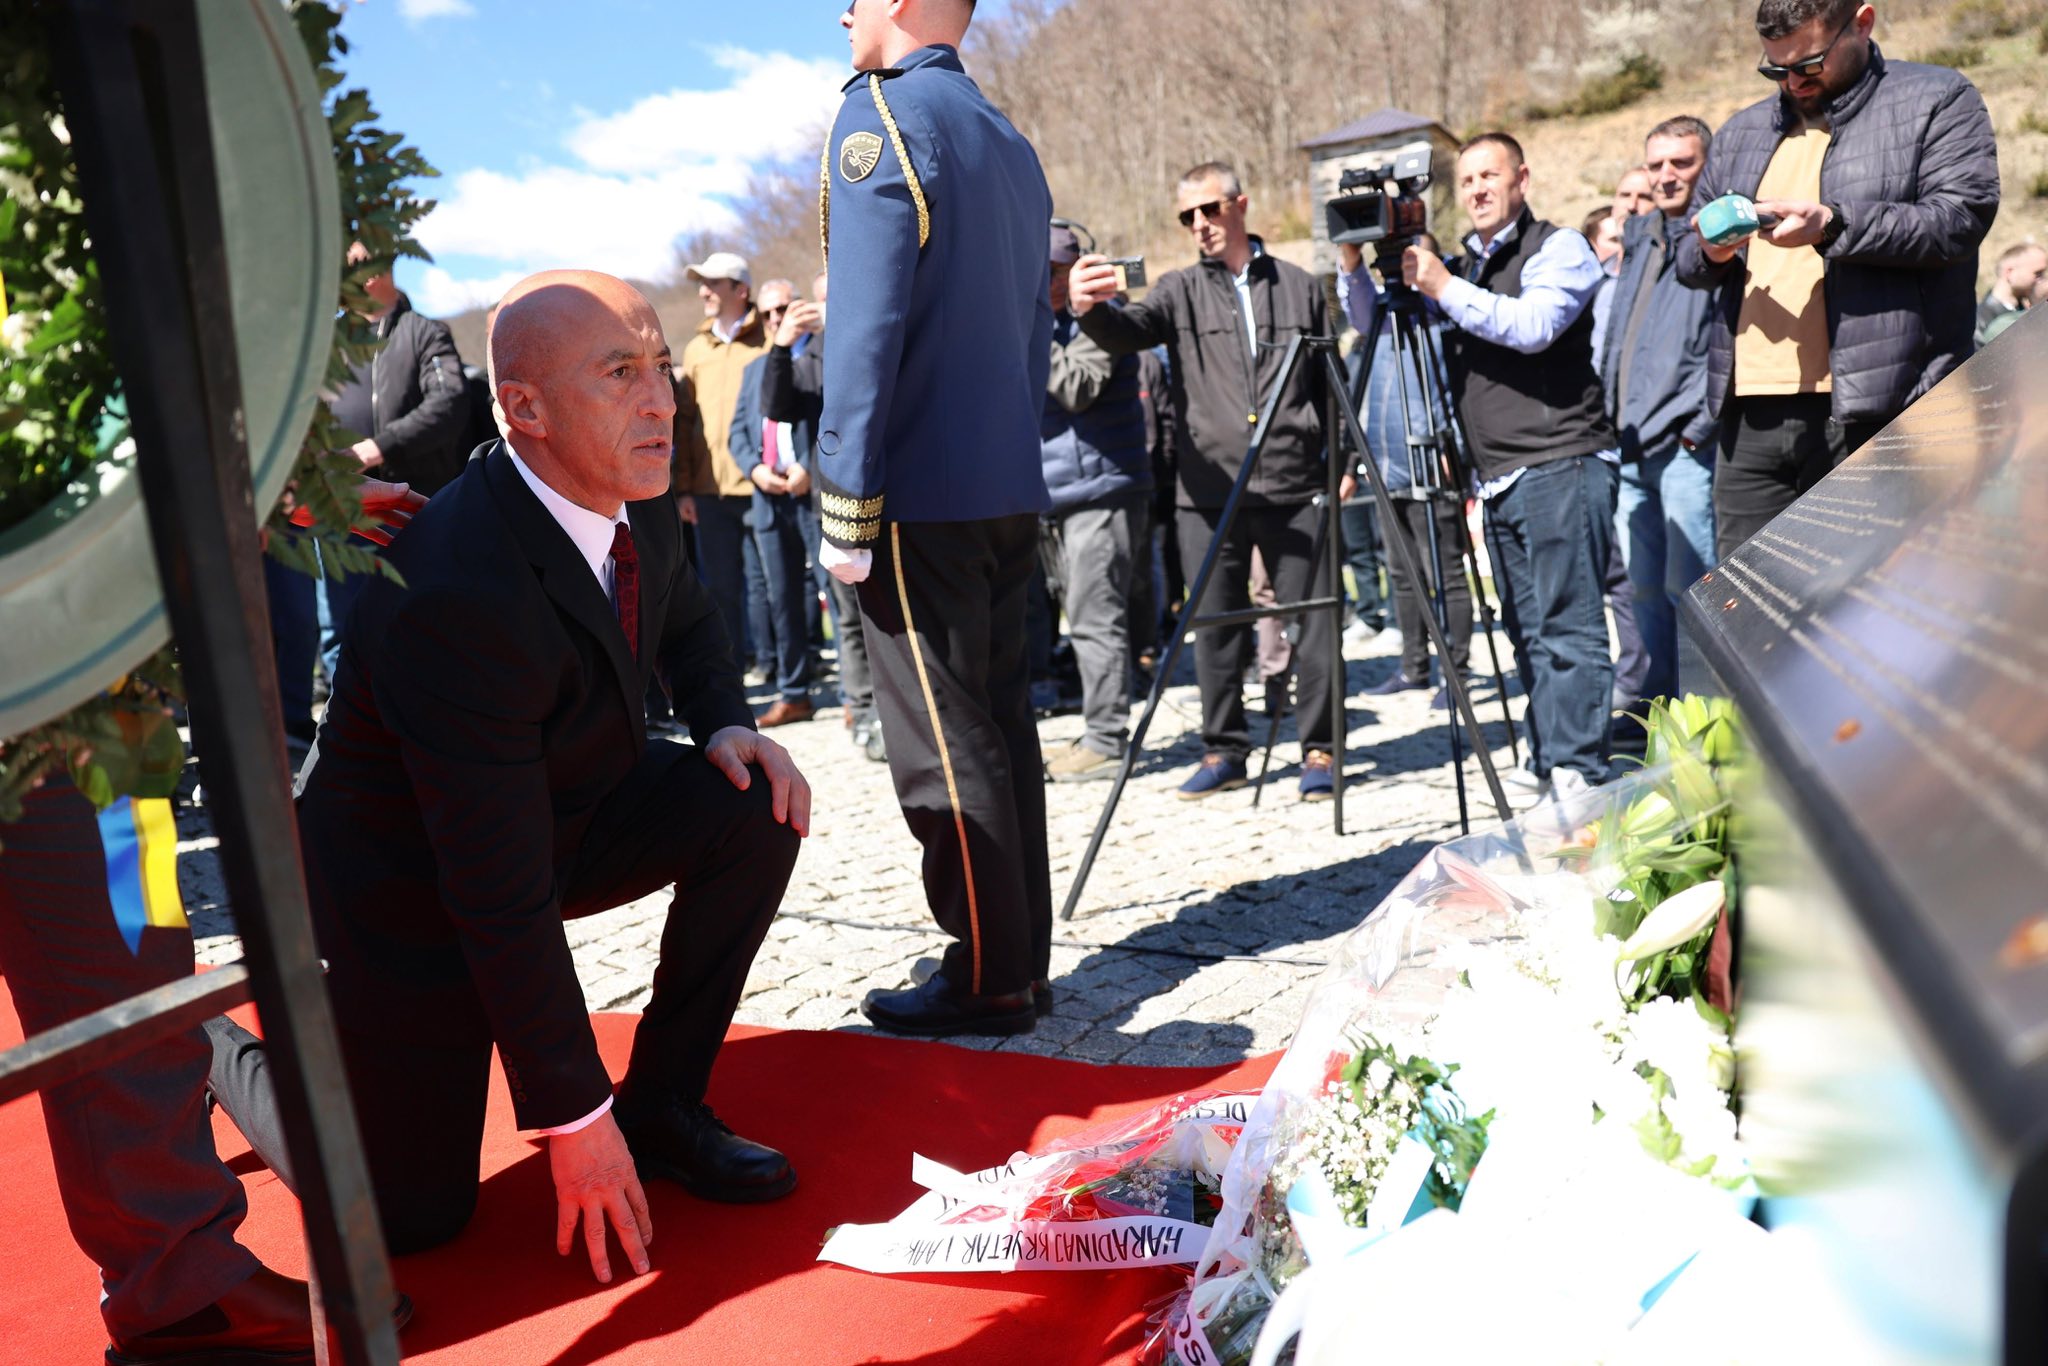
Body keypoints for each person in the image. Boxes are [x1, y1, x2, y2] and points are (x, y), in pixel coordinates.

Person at [290, 270, 809, 1279]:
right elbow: (492, 887)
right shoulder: (456, 585)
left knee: (754, 804)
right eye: (620, 373)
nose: (660, 400)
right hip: (408, 892)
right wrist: (572, 1114)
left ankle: (662, 1106)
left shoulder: (629, 485)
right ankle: (231, 1054)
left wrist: (726, 724)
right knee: (416, 1216)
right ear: (523, 408)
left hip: (556, 811)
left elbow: (689, 617)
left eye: (659, 367)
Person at [814, 0, 1056, 1038]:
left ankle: (986, 974)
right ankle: (1020, 958)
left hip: (916, 490)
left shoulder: (878, 116)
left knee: (945, 750)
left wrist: (845, 499)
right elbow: (1031, 327)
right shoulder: (1007, 139)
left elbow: (863, 330)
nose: (841, 13)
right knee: (1001, 725)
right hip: (1002, 478)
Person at [1675, 0, 1999, 561]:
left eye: (1809, 64)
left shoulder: (1937, 98)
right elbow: (1687, 257)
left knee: (1875, 592)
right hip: (1748, 414)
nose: (1793, 82)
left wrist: (1834, 224)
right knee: (1747, 603)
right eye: (1776, 70)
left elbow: (1959, 219)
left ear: (1863, 23)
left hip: (1879, 410)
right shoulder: (1741, 132)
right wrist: (1711, 248)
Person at [1069, 162, 1353, 802]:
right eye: (1187, 216)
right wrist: (1088, 309)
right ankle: (1225, 750)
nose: (1199, 224)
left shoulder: (1299, 286)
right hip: (1207, 492)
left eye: (1210, 209)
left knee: (1314, 623)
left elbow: (1329, 383)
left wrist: (1342, 464)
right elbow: (1128, 333)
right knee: (1216, 627)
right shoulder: (1177, 289)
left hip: (1293, 484)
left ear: (1240, 205)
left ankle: (1321, 749)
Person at [1400, 131, 1621, 800]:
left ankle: (1582, 769)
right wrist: (1360, 267)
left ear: (1522, 179)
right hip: (1496, 476)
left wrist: (1443, 286)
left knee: (1568, 625)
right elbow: (1383, 321)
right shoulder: (1465, 265)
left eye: (1489, 176)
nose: (1477, 190)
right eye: (1467, 181)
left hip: (1561, 460)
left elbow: (1533, 326)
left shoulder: (1559, 246)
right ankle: (1549, 754)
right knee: (1526, 630)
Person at [265, 241, 468, 747]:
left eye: (353, 262)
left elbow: (449, 402)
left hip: (410, 509)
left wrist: (375, 449)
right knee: (343, 628)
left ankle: (427, 737)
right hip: (339, 510)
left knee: (424, 625)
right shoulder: (328, 343)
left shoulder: (424, 333)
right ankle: (354, 740)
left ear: (382, 266)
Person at [1602, 116, 1721, 705]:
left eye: (1682, 162)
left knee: (1692, 589)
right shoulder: (1642, 236)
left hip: (1684, 449)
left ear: (1708, 163)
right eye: (1656, 164)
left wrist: (1699, 428)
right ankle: (1659, 717)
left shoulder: (1721, 235)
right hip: (1630, 445)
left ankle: (1712, 720)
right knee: (1643, 591)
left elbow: (1732, 339)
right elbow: (1622, 337)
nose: (1666, 175)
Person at [1337, 232, 1470, 710]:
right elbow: (1356, 302)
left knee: (1445, 571)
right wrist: (1351, 257)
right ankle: (1413, 668)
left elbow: (1459, 387)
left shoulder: (1443, 313)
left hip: (1432, 460)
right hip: (1385, 461)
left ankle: (1457, 674)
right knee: (1402, 572)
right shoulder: (1380, 316)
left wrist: (1454, 448)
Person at [1041, 222, 1154, 782]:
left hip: (1101, 490)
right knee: (1083, 617)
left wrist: (1026, 330)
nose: (1044, 282)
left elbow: (1076, 387)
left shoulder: (1102, 317)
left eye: (1055, 271)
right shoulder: (1047, 323)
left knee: (1095, 619)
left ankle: (1107, 742)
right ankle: (1097, 731)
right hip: (1064, 493)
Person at [760, 270, 886, 762]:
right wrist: (782, 346)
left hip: (893, 491)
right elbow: (777, 405)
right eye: (824, 300)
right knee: (848, 613)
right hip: (835, 501)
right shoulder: (811, 353)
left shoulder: (884, 330)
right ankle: (863, 707)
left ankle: (900, 704)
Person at [669, 250, 771, 690]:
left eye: (713, 283)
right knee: (720, 585)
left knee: (767, 582)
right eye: (701, 284)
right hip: (708, 490)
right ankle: (733, 668)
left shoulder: (769, 339)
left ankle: (775, 663)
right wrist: (684, 489)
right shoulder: (695, 349)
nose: (703, 292)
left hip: (764, 484)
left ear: (741, 290)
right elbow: (684, 423)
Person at [731, 278, 817, 728]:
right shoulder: (753, 370)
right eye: (766, 313)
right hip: (768, 497)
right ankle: (795, 694)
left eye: (782, 308)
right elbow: (737, 433)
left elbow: (841, 423)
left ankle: (859, 698)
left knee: (837, 595)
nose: (775, 319)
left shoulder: (821, 356)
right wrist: (755, 469)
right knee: (781, 599)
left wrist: (810, 466)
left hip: (813, 494)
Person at [1978, 241, 2046, 349]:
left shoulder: (2024, 308)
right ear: (2009, 273)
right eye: (2037, 273)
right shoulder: (1981, 322)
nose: (2043, 280)